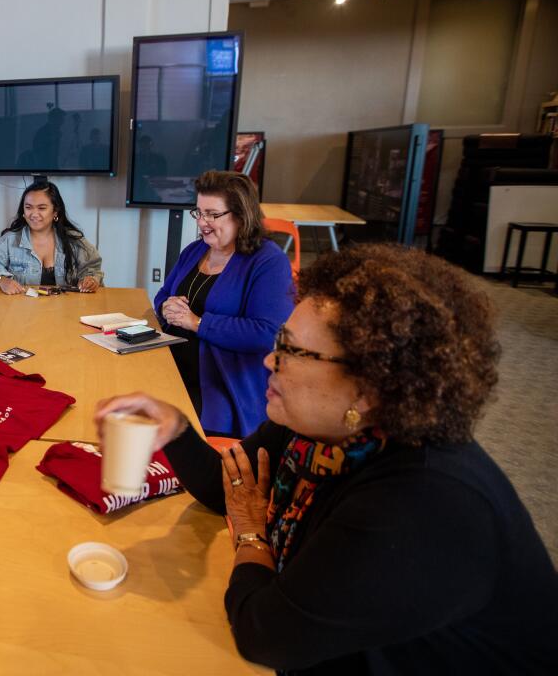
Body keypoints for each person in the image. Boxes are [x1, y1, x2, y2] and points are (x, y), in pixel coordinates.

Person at [96, 245, 558, 674]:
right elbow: (228, 489)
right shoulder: (316, 424)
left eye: (293, 352)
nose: (268, 362)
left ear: (370, 386)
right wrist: (174, 427)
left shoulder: (425, 502)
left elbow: (267, 636)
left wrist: (253, 534)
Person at [154, 170, 293, 436]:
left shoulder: (268, 261)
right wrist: (165, 307)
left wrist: (198, 323)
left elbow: (266, 333)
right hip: (172, 371)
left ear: (241, 215)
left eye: (213, 214)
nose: (202, 223)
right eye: (199, 213)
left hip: (221, 388)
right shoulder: (195, 250)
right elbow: (163, 294)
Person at [0, 180, 103, 293]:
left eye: (42, 208)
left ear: (55, 211)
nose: (34, 214)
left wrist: (90, 279)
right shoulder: (9, 240)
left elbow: (92, 268)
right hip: (21, 311)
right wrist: (1, 280)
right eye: (28, 207)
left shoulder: (74, 240)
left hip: (66, 310)